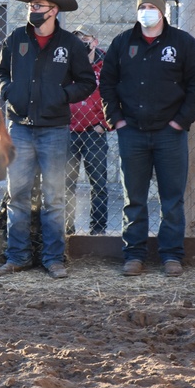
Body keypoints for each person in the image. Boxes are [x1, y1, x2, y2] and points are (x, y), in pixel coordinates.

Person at [0, 0, 96, 280]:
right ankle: (17, 257)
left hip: (54, 130)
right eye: (30, 6)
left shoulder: (70, 45)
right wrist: (8, 90)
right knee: (18, 195)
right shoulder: (15, 39)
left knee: (54, 197)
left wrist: (61, 96)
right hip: (20, 128)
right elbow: (0, 72)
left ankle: (53, 259)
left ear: (54, 10)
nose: (32, 11)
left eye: (38, 6)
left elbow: (86, 82)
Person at [100, 0, 195, 278]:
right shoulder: (123, 43)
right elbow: (107, 82)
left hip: (169, 134)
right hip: (131, 132)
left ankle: (171, 255)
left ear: (162, 12)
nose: (146, 11)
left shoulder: (182, 43)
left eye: (151, 7)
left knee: (172, 198)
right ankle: (133, 255)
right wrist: (117, 120)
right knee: (133, 198)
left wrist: (180, 122)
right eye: (142, 7)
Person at [65, 24, 111, 237]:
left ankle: (98, 230)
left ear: (95, 41)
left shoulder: (107, 65)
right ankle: (67, 229)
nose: (81, 42)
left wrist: (105, 124)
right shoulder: (67, 64)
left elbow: (114, 95)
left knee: (99, 184)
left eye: (85, 38)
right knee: (66, 184)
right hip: (69, 131)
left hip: (95, 132)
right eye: (77, 38)